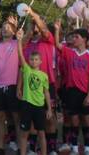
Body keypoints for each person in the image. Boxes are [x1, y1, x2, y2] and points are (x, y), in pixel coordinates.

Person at [54, 23, 89, 155]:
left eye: (76, 37)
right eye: (73, 37)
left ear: (84, 39)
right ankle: (74, 147)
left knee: (86, 120)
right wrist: (56, 30)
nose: (74, 39)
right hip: (71, 92)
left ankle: (88, 147)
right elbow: (57, 45)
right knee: (74, 120)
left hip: (84, 93)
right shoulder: (70, 53)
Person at [24, 9, 59, 155]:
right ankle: (32, 147)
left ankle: (51, 148)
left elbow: (44, 30)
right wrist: (30, 26)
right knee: (31, 119)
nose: (36, 27)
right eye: (33, 25)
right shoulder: (26, 44)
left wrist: (34, 15)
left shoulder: (47, 39)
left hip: (47, 85)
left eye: (38, 24)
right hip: (30, 87)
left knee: (49, 117)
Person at [0, 14, 20, 154]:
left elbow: (28, 34)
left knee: (16, 117)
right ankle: (0, 147)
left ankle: (20, 146)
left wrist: (17, 27)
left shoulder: (18, 44)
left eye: (8, 28)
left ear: (13, 31)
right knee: (0, 117)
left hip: (13, 86)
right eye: (3, 28)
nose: (5, 29)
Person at [16, 29, 52, 155]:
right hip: (27, 105)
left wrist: (49, 109)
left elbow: (46, 92)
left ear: (41, 61)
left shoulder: (44, 75)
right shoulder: (27, 70)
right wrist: (19, 40)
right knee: (24, 132)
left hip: (39, 107)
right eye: (32, 59)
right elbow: (20, 54)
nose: (34, 61)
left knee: (41, 133)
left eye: (36, 59)